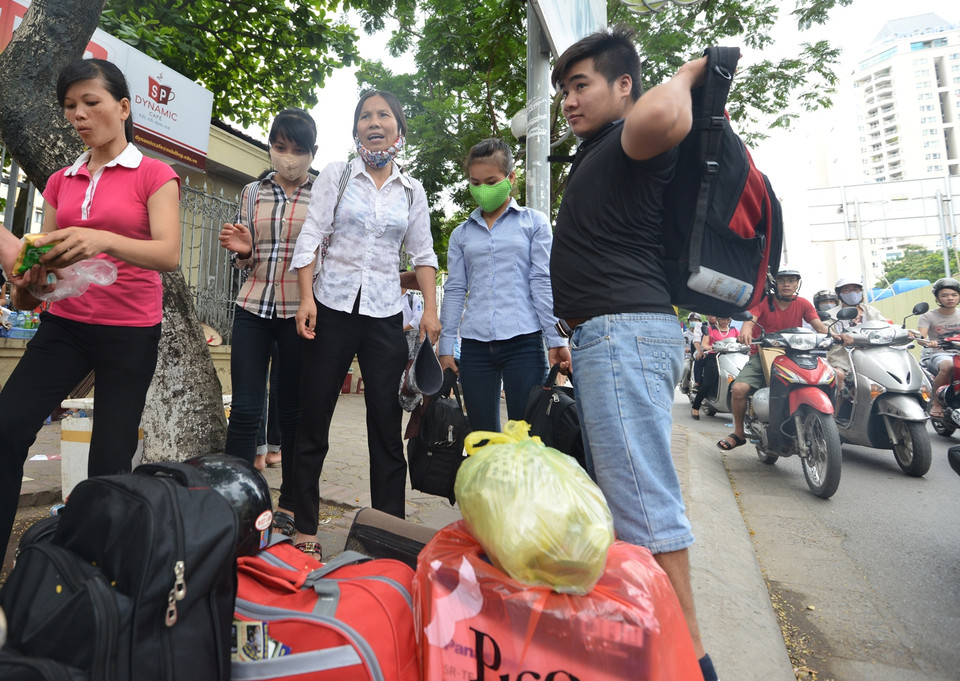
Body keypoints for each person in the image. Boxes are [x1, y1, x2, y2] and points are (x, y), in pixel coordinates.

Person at [547, 25, 717, 680]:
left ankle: (691, 661)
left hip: (622, 334)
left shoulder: (634, 136)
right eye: (563, 91)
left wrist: (693, 71)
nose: (568, 100)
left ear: (624, 86)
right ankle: (648, 648)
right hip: (608, 337)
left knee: (644, 507)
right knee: (629, 507)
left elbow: (665, 114)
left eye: (580, 85)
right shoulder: (600, 149)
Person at [0, 58, 181, 557]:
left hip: (130, 330)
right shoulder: (62, 180)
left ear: (123, 107)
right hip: (66, 325)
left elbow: (168, 254)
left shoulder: (155, 174)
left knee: (109, 458)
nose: (78, 114)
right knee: (7, 427)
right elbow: (47, 263)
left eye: (90, 102)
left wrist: (102, 239)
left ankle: (99, 570)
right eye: (70, 106)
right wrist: (31, 275)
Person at [290, 90, 440, 559]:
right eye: (365, 116)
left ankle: (386, 537)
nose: (374, 122)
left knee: (385, 426)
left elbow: (423, 254)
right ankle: (304, 525)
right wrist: (306, 297)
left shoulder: (412, 191)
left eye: (383, 115)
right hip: (331, 306)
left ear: (399, 129)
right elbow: (312, 235)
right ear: (356, 128)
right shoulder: (337, 175)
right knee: (313, 417)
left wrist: (430, 311)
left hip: (384, 315)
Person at [218, 108, 317, 536]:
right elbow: (244, 257)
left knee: (292, 412)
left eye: (297, 149)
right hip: (253, 307)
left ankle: (290, 504)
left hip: (299, 313)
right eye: (280, 147)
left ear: (313, 152)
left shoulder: (324, 194)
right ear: (270, 147)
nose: (288, 157)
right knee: (245, 409)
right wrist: (242, 251)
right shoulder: (252, 192)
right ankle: (235, 501)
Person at [438, 138, 569, 432]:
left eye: (491, 181)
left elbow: (542, 282)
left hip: (524, 342)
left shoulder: (534, 223)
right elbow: (456, 290)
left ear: (510, 178)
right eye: (475, 183)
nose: (482, 190)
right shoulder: (461, 234)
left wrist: (556, 340)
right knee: (481, 434)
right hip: (474, 345)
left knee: (526, 433)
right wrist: (446, 347)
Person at [720, 269, 830, 451]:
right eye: (782, 281)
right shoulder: (764, 301)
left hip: (794, 355)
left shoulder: (803, 304)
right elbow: (750, 319)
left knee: (829, 378)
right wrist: (746, 331)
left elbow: (819, 326)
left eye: (791, 280)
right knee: (739, 389)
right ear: (775, 284)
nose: (786, 284)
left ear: (797, 284)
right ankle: (739, 433)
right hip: (763, 353)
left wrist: (836, 335)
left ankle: (826, 426)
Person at [824, 277, 886, 397]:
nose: (852, 293)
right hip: (843, 359)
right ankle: (835, 408)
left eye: (856, 289)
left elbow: (885, 326)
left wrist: (907, 332)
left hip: (874, 357)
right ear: (839, 294)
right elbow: (826, 331)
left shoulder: (871, 312)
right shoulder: (831, 315)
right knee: (839, 377)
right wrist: (838, 337)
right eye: (847, 290)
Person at [917, 277, 960, 418]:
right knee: (948, 366)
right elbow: (921, 338)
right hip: (941, 354)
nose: (950, 298)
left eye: (954, 295)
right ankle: (937, 403)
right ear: (937, 298)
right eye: (944, 295)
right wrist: (929, 342)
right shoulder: (928, 316)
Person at [690, 315, 739, 419]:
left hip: (732, 358)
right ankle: (695, 407)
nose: (725, 321)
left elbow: (741, 341)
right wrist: (712, 347)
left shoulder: (734, 330)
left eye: (727, 319)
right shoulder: (710, 329)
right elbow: (704, 344)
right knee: (708, 382)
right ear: (718, 319)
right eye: (722, 319)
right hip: (714, 358)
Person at [679, 312, 700, 394]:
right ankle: (684, 386)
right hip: (689, 356)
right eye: (691, 320)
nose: (693, 322)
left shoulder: (703, 333)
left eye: (695, 320)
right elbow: (679, 346)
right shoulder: (685, 334)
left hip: (700, 356)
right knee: (686, 368)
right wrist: (685, 349)